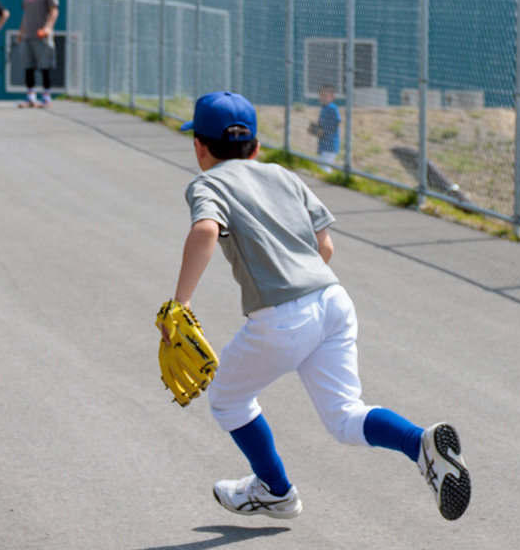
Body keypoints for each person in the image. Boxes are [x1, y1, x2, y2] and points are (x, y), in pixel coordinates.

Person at [170, 91, 471, 521]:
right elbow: (324, 245)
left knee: (226, 400)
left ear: (199, 146)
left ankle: (275, 490)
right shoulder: (282, 175)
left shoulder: (208, 183)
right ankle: (419, 443)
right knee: (346, 416)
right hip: (333, 302)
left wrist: (180, 303)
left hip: (282, 318)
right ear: (256, 147)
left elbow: (205, 230)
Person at [15, 0, 59, 109]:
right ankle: (30, 97)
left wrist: (48, 27)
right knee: (28, 66)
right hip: (28, 35)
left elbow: (54, 11)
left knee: (45, 66)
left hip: (42, 36)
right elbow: (26, 14)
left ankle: (46, 97)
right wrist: (21, 31)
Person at [307, 84, 341, 172]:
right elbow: (321, 125)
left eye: (325, 95)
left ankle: (332, 179)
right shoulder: (324, 108)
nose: (322, 97)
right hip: (323, 144)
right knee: (321, 166)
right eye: (321, 95)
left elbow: (337, 122)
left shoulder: (332, 108)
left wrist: (324, 131)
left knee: (324, 167)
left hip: (330, 144)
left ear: (332, 96)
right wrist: (314, 129)